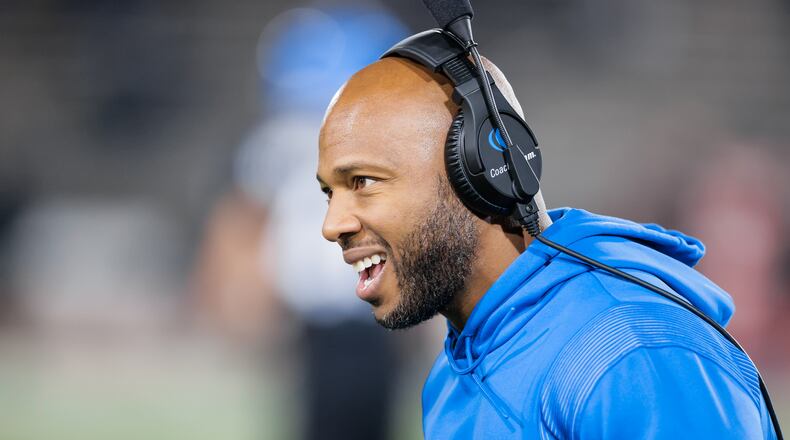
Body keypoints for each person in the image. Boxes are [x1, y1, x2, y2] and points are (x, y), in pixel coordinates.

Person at [315, 54, 779, 438]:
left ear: (477, 173)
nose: (332, 225)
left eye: (364, 181)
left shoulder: (634, 358)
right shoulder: (452, 372)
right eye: (329, 192)